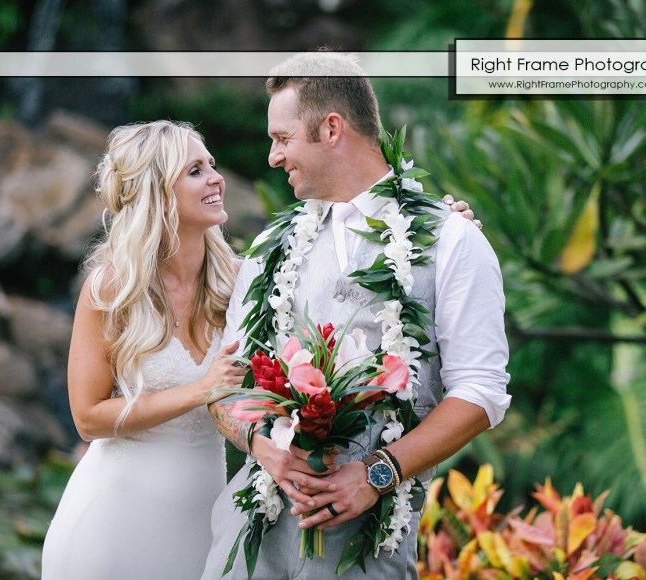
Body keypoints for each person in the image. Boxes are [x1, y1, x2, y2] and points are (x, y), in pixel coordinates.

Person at [202, 52, 511, 579]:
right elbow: (224, 386)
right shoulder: (267, 248)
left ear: (330, 129)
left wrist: (376, 473)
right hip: (248, 547)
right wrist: (264, 448)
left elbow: (480, 392)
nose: (273, 157)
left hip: (369, 553)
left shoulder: (453, 241)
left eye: (283, 138)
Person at [40, 120, 247, 579]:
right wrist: (200, 391)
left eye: (211, 165)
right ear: (159, 190)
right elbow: (88, 418)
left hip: (202, 528)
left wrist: (441, 223)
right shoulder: (111, 289)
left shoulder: (240, 280)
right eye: (195, 170)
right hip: (112, 528)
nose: (216, 178)